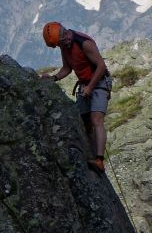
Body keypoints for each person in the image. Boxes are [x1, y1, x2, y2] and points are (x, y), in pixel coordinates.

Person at [40, 21, 112, 173]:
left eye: (59, 43)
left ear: (65, 35)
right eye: (58, 45)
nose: (60, 46)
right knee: (84, 122)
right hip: (85, 84)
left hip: (99, 82)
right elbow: (67, 68)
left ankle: (99, 159)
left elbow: (101, 66)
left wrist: (90, 87)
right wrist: (53, 78)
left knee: (96, 119)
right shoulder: (65, 46)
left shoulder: (84, 43)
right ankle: (92, 154)